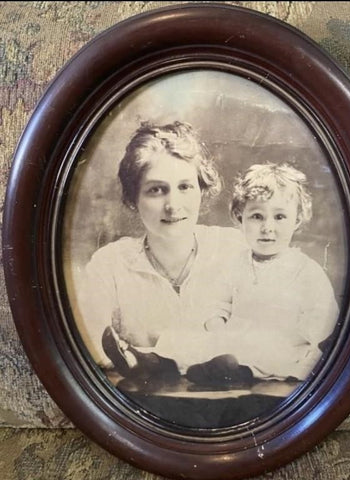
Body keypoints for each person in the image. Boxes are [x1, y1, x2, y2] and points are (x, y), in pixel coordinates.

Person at [74, 120, 249, 385]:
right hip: (142, 406)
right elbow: (90, 346)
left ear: (202, 190)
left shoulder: (235, 249)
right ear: (133, 200)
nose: (173, 205)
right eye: (156, 190)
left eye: (185, 187)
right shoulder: (110, 264)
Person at [183, 162, 340, 383]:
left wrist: (296, 338)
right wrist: (217, 326)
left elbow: (322, 316)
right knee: (187, 338)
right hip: (233, 339)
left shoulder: (305, 270)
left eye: (279, 217)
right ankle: (157, 362)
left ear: (296, 220)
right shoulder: (234, 264)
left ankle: (236, 372)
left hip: (282, 342)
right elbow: (217, 302)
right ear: (240, 218)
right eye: (257, 216)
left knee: (268, 351)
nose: (267, 227)